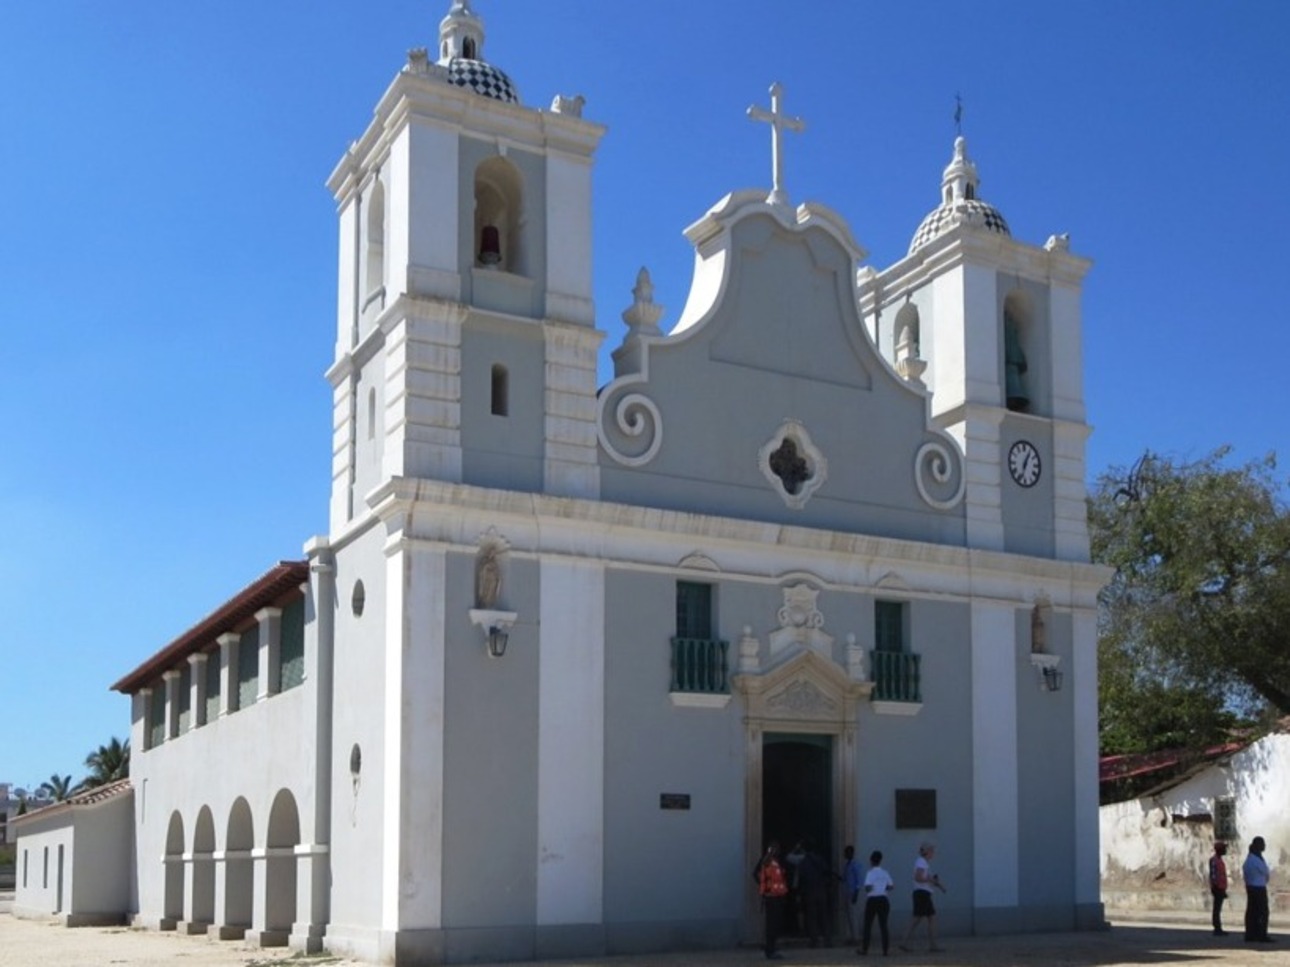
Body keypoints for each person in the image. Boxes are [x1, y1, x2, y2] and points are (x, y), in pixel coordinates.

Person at [899, 842, 946, 953]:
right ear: (927, 852)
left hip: (923, 893)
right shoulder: (921, 862)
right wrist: (931, 881)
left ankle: (931, 945)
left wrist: (939, 886)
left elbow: (926, 878)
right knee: (917, 919)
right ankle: (904, 943)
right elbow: (918, 878)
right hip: (922, 894)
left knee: (928, 918)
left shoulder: (923, 863)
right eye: (931, 851)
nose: (933, 853)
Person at [756, 841, 790, 959]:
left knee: (774, 925)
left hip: (775, 896)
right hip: (773, 897)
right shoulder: (769, 863)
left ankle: (771, 948)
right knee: (773, 925)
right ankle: (770, 950)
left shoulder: (771, 862)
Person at [859, 849, 895, 956]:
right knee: (883, 925)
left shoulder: (870, 873)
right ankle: (885, 950)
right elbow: (891, 886)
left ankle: (865, 949)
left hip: (872, 900)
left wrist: (874, 887)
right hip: (883, 899)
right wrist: (883, 887)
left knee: (868, 925)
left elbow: (867, 887)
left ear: (871, 861)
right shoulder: (885, 873)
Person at [1242, 836, 1273, 943]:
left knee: (1252, 911)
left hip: (1250, 887)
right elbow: (1266, 872)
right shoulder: (1256, 860)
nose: (1264, 846)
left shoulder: (1249, 859)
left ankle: (1251, 934)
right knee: (1263, 912)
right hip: (1259, 888)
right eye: (1262, 844)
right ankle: (1262, 934)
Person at [842, 845, 864, 944]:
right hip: (846, 891)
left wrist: (856, 893)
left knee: (853, 915)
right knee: (848, 915)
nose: (845, 854)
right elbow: (844, 878)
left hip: (853, 892)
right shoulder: (846, 865)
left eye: (847, 852)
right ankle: (850, 936)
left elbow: (858, 880)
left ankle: (856, 937)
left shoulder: (855, 864)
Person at [1209, 840, 1229, 936]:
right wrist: (1215, 886)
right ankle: (1217, 927)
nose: (1225, 850)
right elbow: (1213, 874)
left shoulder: (1219, 860)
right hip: (1217, 888)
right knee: (1216, 909)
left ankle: (1218, 927)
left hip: (1221, 887)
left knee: (1218, 908)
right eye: (1224, 848)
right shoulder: (1214, 860)